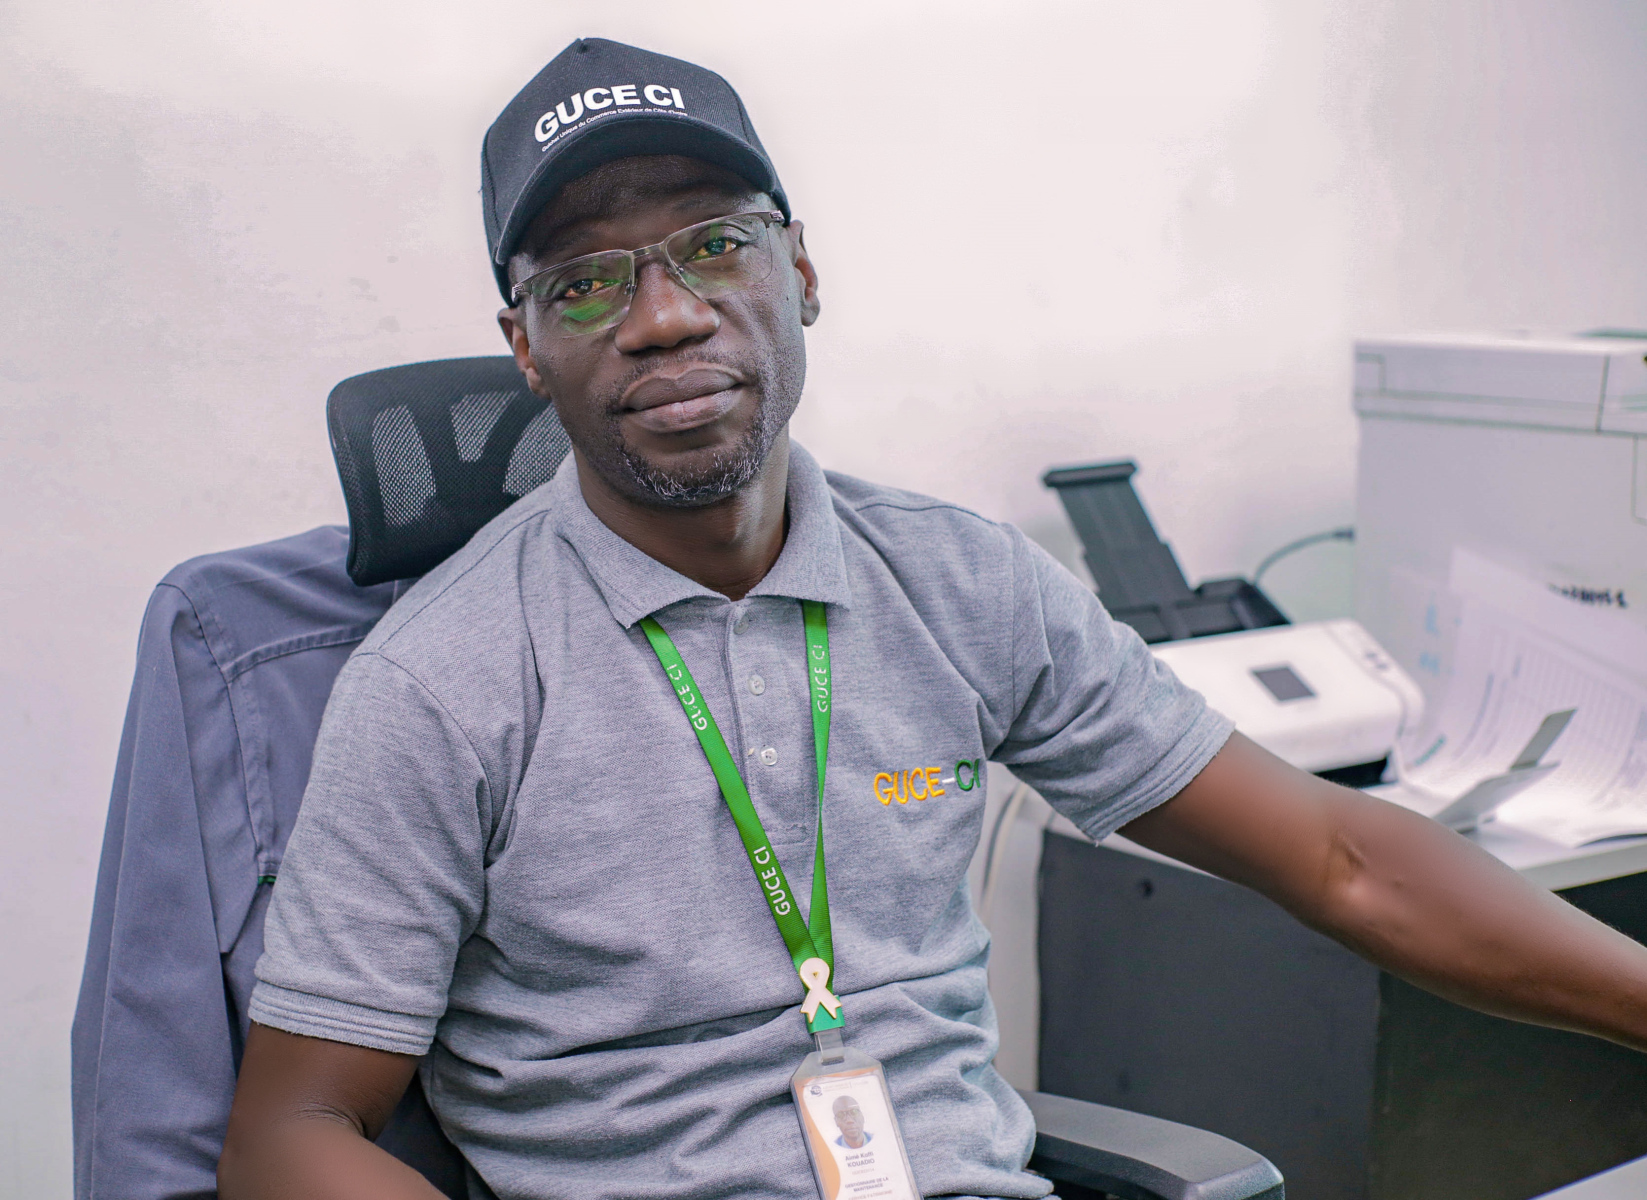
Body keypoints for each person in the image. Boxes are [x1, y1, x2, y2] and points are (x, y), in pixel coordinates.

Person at [218, 35, 1647, 1200]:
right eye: (585, 282)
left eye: (714, 244)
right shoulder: (441, 681)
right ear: (525, 348)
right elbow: (292, 1136)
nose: (663, 316)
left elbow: (1341, 856)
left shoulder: (961, 583)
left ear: (801, 273)